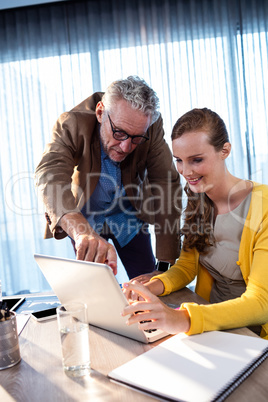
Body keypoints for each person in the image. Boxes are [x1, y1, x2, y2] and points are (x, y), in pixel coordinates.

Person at [122, 107, 268, 339]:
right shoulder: (198, 200)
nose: (186, 172)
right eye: (179, 160)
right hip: (209, 329)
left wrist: (183, 319)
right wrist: (151, 288)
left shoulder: (263, 206)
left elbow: (261, 303)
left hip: (252, 336)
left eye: (196, 160)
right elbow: (187, 267)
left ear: (225, 151)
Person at [35, 76, 181, 279]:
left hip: (130, 216)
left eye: (136, 138)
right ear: (100, 112)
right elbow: (49, 173)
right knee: (95, 288)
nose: (126, 147)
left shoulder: (151, 126)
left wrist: (165, 264)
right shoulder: (72, 123)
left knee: (150, 282)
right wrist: (80, 232)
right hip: (86, 219)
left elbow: (166, 183)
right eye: (119, 133)